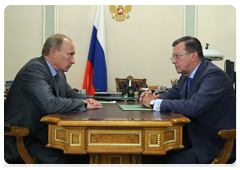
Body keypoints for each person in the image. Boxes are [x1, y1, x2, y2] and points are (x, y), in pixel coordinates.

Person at [4, 34, 103, 166]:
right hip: (22, 138)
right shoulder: (34, 69)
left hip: (42, 134)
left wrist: (89, 100)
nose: (73, 61)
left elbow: (69, 94)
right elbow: (49, 104)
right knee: (60, 159)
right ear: (53, 52)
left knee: (82, 154)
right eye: (70, 54)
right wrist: (84, 104)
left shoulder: (59, 73)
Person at [139, 36, 238, 167]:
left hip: (218, 142)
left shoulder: (214, 75)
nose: (173, 61)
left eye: (177, 56)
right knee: (153, 153)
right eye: (172, 57)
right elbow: (170, 95)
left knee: (175, 163)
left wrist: (153, 103)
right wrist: (150, 96)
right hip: (194, 138)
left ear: (193, 55)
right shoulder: (186, 76)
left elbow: (193, 107)